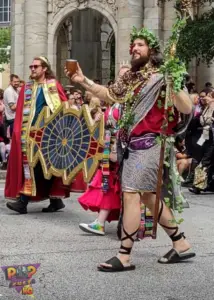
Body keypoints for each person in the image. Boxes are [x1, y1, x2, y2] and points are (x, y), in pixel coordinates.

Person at [65, 26, 195, 272]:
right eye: (132, 45)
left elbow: (187, 108)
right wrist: (83, 81)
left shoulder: (162, 75)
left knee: (130, 193)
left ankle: (124, 255)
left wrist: (173, 82)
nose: (134, 48)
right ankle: (181, 244)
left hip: (149, 144)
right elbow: (109, 95)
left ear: (151, 50)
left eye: (140, 45)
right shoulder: (131, 78)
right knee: (147, 196)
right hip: (130, 145)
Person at [5, 56, 70, 214]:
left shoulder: (53, 85)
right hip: (30, 136)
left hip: (49, 136)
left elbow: (63, 108)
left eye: (36, 66)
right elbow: (20, 112)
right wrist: (18, 132)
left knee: (40, 168)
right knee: (35, 167)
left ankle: (23, 202)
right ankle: (55, 200)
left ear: (44, 68)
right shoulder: (27, 88)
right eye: (31, 66)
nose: (32, 69)